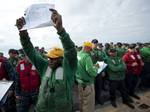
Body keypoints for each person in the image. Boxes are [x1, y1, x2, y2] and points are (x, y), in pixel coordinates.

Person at [16, 9, 77, 112]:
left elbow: (70, 50)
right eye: (49, 58)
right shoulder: (45, 67)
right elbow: (30, 51)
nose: (50, 61)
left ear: (61, 59)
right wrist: (23, 33)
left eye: (53, 59)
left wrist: (61, 30)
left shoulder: (68, 68)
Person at [76, 41, 99, 112]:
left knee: (81, 100)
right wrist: (96, 68)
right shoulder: (86, 57)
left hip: (80, 83)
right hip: (87, 84)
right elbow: (90, 71)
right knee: (88, 104)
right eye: (90, 49)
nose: (90, 51)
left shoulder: (78, 54)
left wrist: (92, 66)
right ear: (86, 48)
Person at [91, 39, 107, 105]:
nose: (95, 44)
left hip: (99, 70)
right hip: (91, 71)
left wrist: (103, 71)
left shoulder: (100, 51)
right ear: (91, 43)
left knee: (99, 85)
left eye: (96, 43)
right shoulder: (89, 51)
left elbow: (102, 61)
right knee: (93, 86)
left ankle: (98, 98)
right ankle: (93, 100)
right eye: (94, 43)